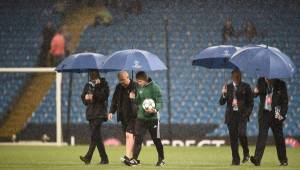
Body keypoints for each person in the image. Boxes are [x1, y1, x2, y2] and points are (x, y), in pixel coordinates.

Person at [129, 71, 165, 166]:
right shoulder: (139, 88)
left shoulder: (155, 88)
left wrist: (154, 109)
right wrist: (133, 98)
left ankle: (161, 159)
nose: (138, 83)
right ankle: (134, 159)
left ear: (145, 80)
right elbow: (139, 102)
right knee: (138, 139)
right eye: (137, 81)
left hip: (153, 119)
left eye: (140, 81)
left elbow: (160, 101)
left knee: (156, 139)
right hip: (141, 118)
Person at [250, 78, 288, 166]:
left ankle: (283, 160)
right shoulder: (260, 81)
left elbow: (285, 101)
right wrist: (254, 92)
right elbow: (253, 95)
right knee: (261, 136)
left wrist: (282, 114)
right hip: (264, 114)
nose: (267, 78)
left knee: (279, 138)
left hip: (276, 113)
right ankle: (257, 159)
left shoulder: (281, 84)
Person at [219, 69, 253, 165]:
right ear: (232, 77)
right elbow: (221, 102)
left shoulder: (246, 87)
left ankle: (246, 153)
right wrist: (224, 94)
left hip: (242, 116)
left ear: (241, 77)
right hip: (231, 117)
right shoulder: (227, 87)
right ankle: (235, 160)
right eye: (235, 76)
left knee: (242, 134)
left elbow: (251, 103)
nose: (237, 78)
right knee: (233, 139)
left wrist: (246, 114)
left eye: (239, 76)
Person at [107, 71, 138, 165]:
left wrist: (134, 98)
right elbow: (115, 100)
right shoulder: (119, 87)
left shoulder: (136, 86)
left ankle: (127, 157)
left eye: (123, 80)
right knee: (130, 137)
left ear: (128, 77)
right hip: (123, 116)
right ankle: (133, 158)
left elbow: (143, 100)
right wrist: (111, 111)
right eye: (120, 80)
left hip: (134, 116)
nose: (121, 82)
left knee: (129, 135)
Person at [80, 70, 110, 165]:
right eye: (91, 79)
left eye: (94, 78)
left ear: (98, 77)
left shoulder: (104, 84)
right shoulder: (87, 85)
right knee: (97, 137)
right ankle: (104, 158)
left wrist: (97, 86)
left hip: (100, 113)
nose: (92, 80)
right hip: (91, 113)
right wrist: (86, 98)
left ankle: (88, 157)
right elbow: (83, 98)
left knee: (94, 135)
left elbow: (103, 97)